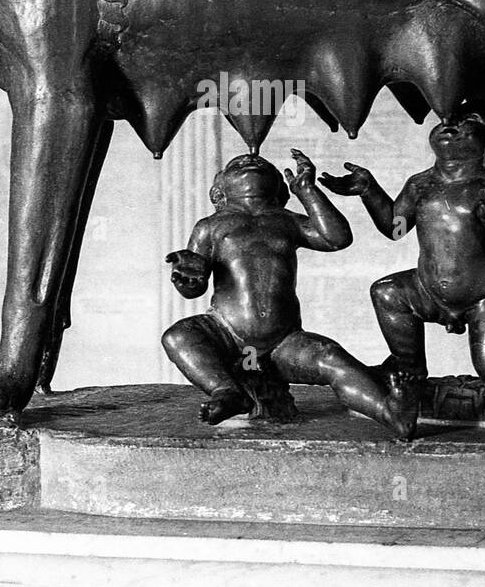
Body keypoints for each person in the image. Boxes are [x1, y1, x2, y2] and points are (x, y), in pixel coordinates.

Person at [163, 150, 419, 439]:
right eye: (237, 165)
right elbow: (195, 284)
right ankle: (227, 391)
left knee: (330, 358)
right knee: (178, 336)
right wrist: (187, 280)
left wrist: (308, 191)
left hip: (284, 341)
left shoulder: (286, 221)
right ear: (219, 190)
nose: (250, 160)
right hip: (226, 333)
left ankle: (390, 413)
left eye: (261, 163)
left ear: (278, 186)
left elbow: (336, 238)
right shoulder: (210, 226)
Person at [320, 105, 485, 388]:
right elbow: (395, 228)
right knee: (387, 292)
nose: (450, 125)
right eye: (447, 119)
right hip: (426, 290)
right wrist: (369, 190)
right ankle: (409, 366)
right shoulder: (420, 184)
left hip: (483, 297)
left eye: (468, 122)